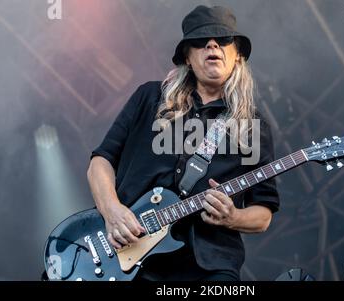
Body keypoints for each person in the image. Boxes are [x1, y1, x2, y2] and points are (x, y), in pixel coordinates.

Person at [87, 5, 280, 281]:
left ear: (237, 55)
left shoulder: (252, 126)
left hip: (209, 265)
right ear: (187, 58)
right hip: (126, 253)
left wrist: (232, 216)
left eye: (223, 40)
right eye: (201, 41)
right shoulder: (150, 98)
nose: (212, 44)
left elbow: (263, 213)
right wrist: (112, 211)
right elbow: (100, 161)